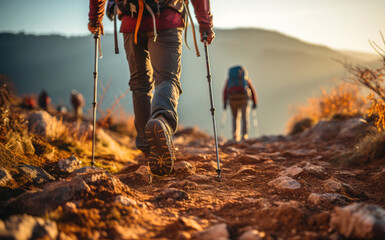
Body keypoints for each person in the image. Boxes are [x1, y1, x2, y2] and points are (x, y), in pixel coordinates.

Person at [88, 0, 215, 176]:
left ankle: (148, 148)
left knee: (139, 84)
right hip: (166, 19)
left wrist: (95, 19)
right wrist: (205, 23)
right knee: (167, 78)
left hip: (130, 23)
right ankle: (161, 119)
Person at [223, 65, 258, 141]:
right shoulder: (245, 79)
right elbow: (252, 89)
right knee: (244, 117)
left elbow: (225, 90)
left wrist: (224, 102)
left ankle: (235, 136)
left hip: (232, 99)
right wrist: (254, 102)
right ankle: (244, 136)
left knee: (235, 117)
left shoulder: (229, 80)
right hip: (243, 98)